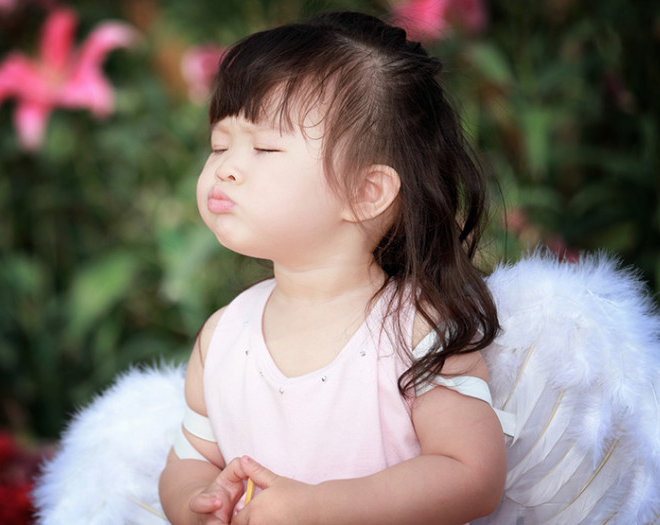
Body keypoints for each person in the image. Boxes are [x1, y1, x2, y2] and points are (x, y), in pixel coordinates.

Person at [159, 11, 507, 525]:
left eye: (264, 147)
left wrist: (320, 507)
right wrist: (199, 501)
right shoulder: (223, 338)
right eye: (219, 145)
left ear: (366, 192)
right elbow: (189, 461)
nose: (225, 167)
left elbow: (472, 475)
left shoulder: (416, 329)